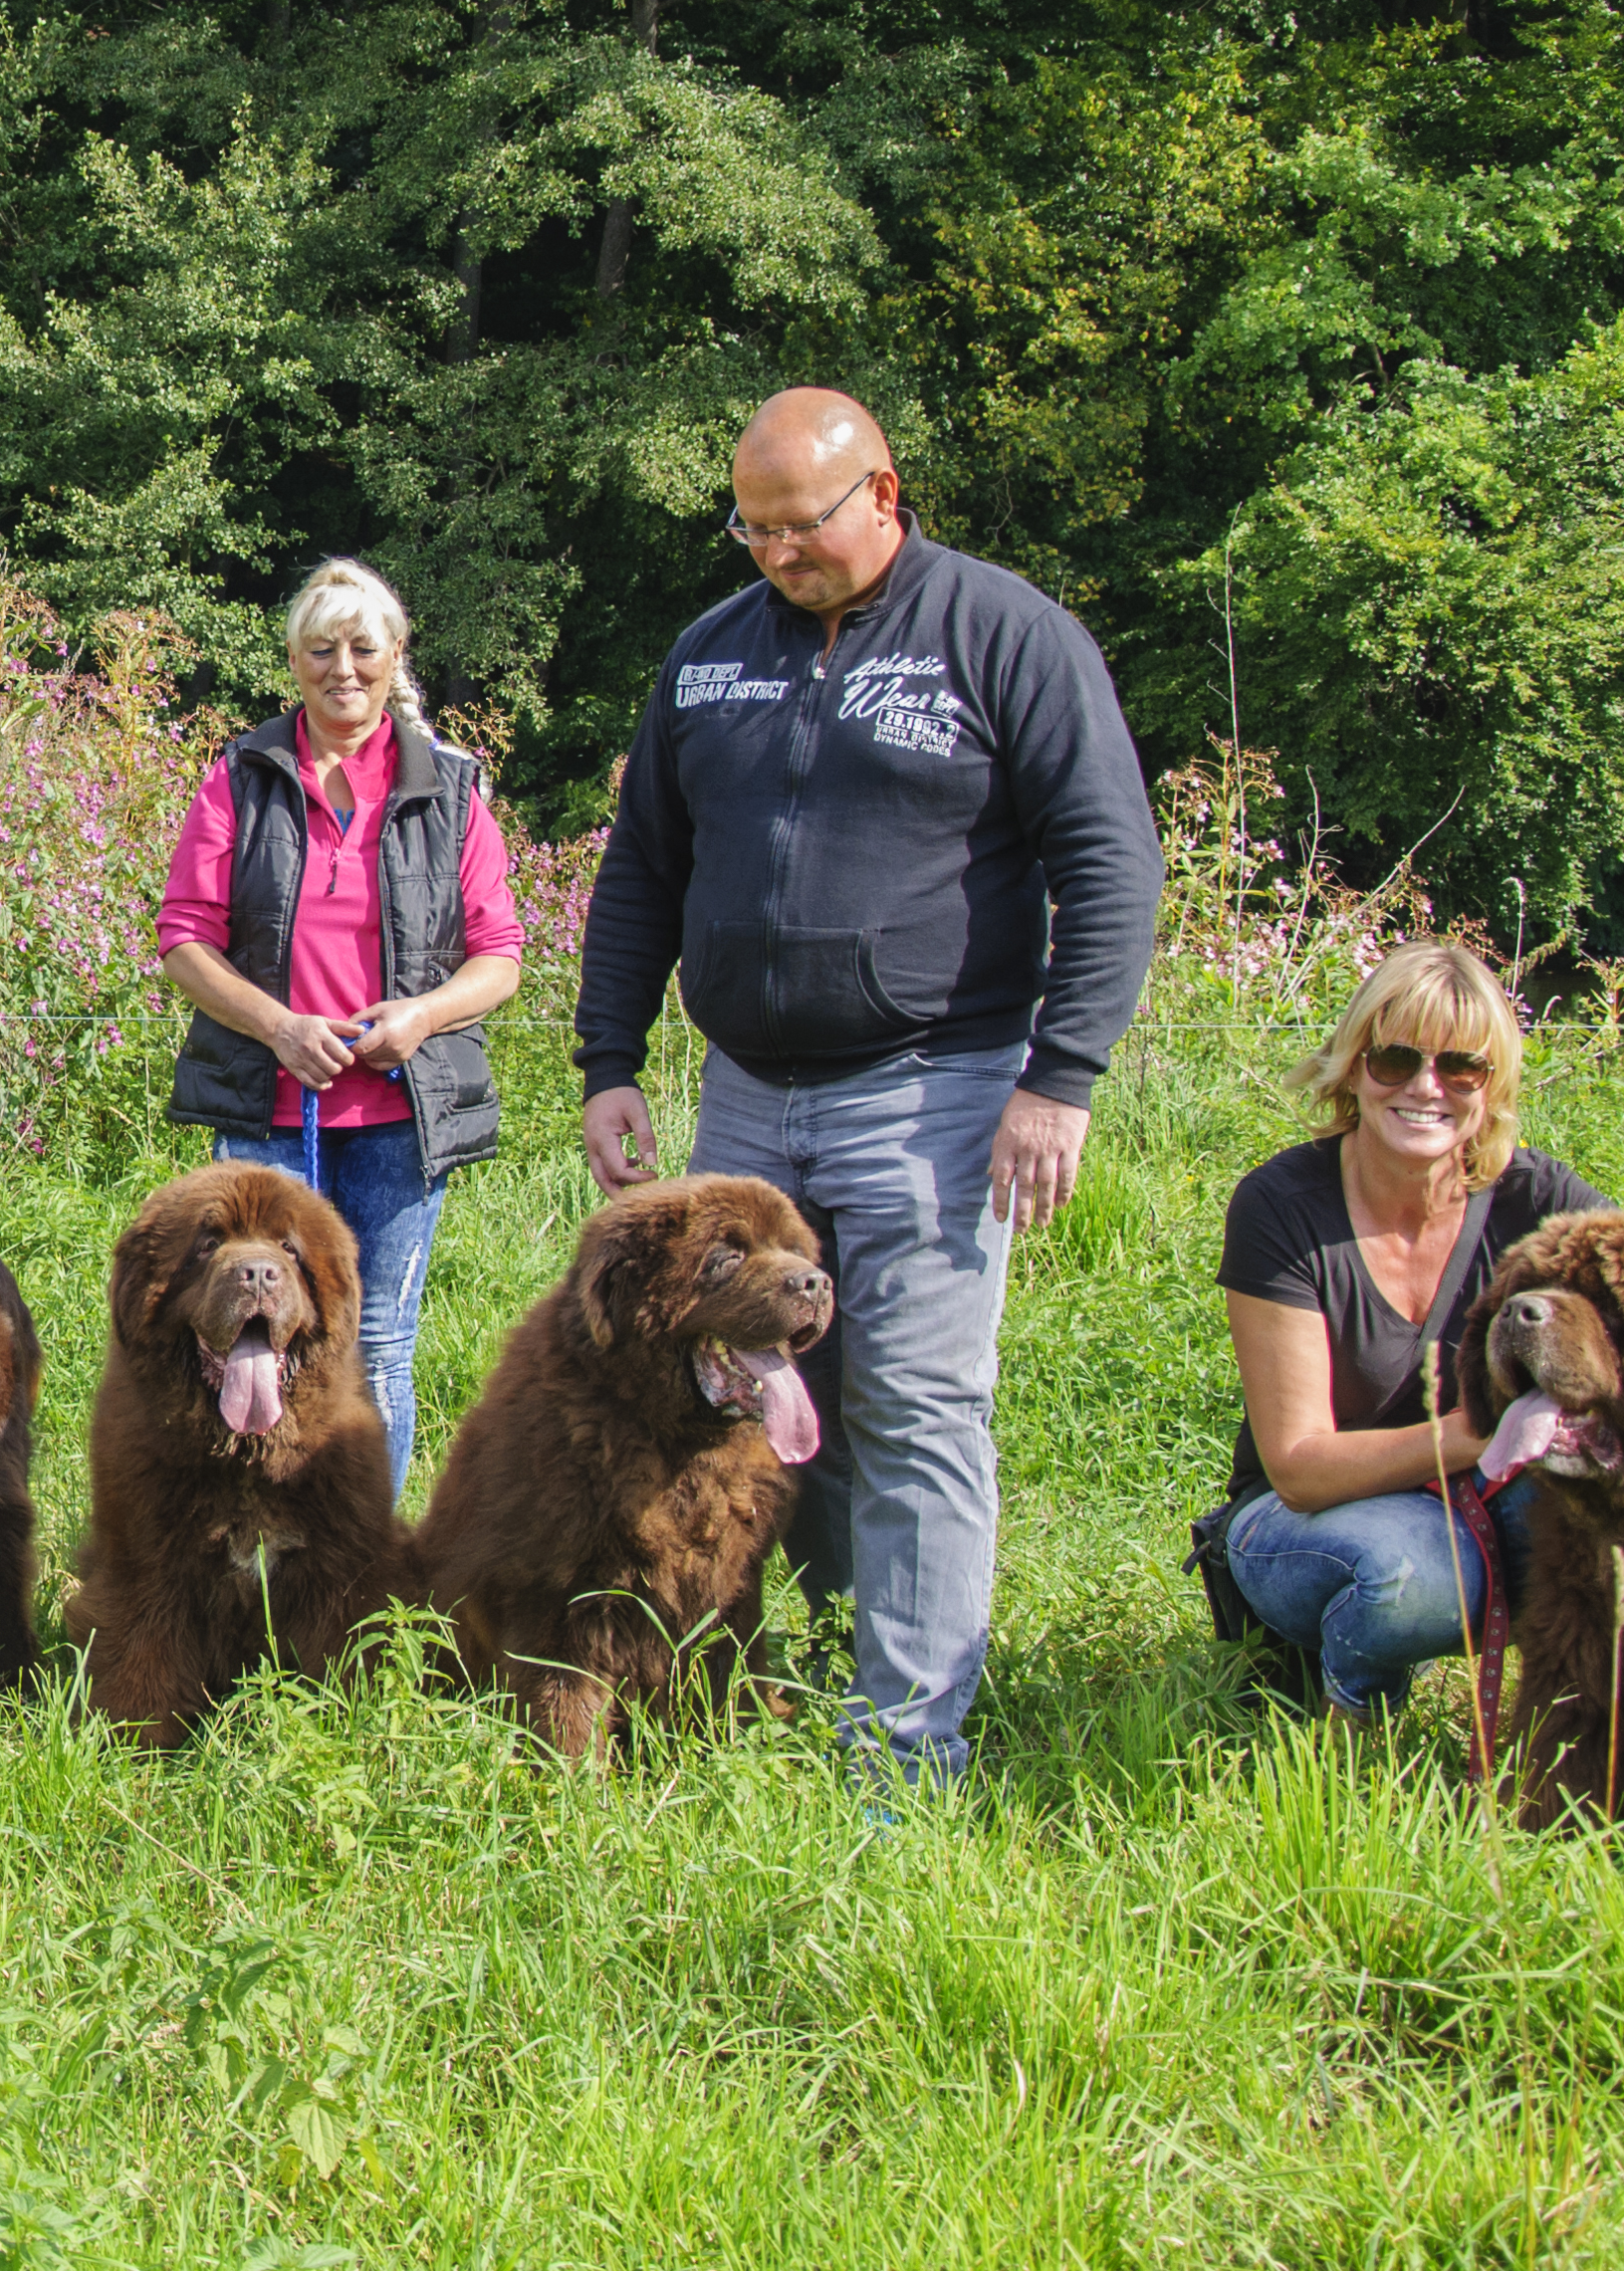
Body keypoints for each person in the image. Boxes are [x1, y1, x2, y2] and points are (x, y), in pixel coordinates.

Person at [573, 386, 1164, 1778]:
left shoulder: (1004, 637)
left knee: (910, 1409)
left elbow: (1111, 862)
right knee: (749, 1406)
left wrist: (1060, 1075)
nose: (776, 552)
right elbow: (642, 865)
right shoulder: (711, 657)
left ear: (884, 496)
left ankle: (903, 1756)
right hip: (746, 1103)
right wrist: (610, 1055)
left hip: (936, 1089)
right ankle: (764, 1692)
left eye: (803, 524)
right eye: (752, 527)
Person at [1215, 939, 1624, 1717]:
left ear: (1493, 1086)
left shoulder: (1540, 1197)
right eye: (1395, 1059)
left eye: (1462, 1067)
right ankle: (1344, 1718)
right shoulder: (1281, 1205)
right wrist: (1490, 1431)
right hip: (1305, 1517)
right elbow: (1299, 1467)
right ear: (1353, 1067)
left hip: (1494, 1492)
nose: (1427, 1088)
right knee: (1410, 1573)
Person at [155, 559, 528, 1491]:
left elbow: (500, 956)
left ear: (395, 655)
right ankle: (251, 1550)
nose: (343, 669)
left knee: (379, 1349)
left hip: (400, 1121)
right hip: (271, 1114)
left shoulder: (451, 788)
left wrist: (423, 1015)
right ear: (293, 660)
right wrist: (280, 1028)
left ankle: (363, 1565)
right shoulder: (242, 777)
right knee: (250, 1334)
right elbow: (185, 940)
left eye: (364, 648)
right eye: (321, 649)